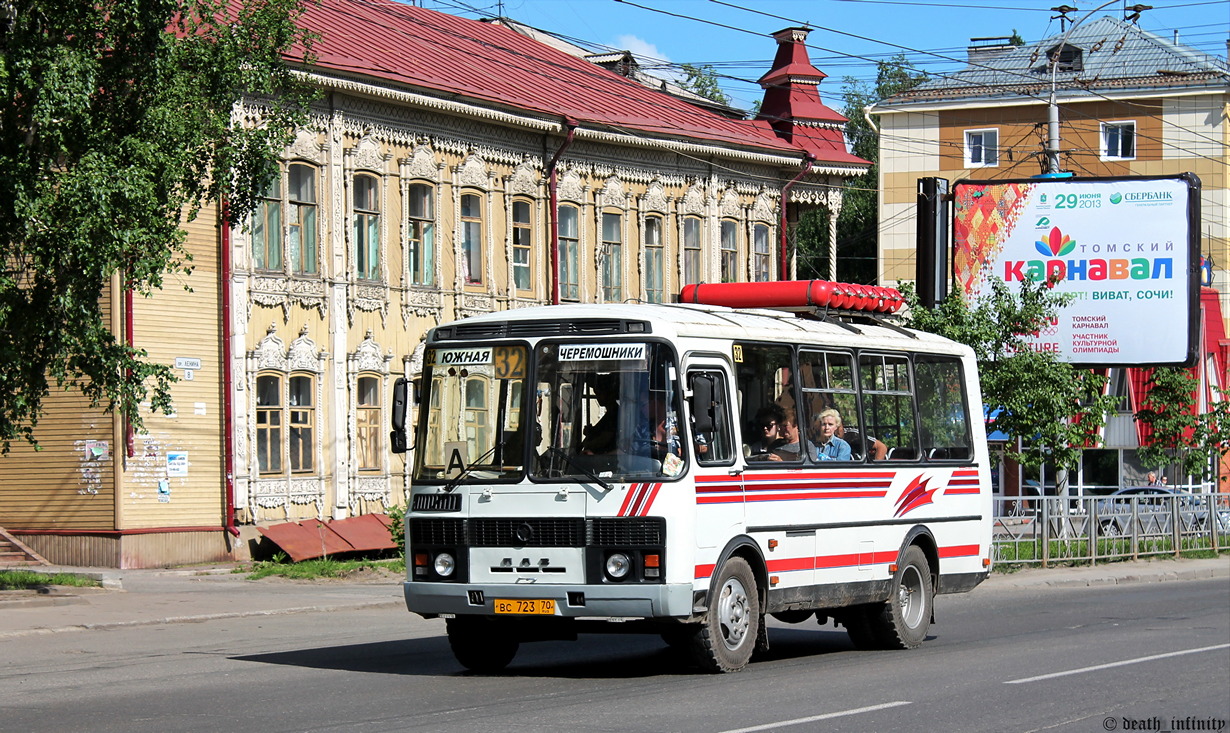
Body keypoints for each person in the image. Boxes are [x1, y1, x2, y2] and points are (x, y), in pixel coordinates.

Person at [580, 375, 619, 454]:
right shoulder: (609, 414)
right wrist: (592, 432)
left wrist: (588, 444)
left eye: (600, 393)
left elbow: (605, 438)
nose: (597, 397)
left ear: (609, 393)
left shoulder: (614, 414)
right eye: (596, 393)